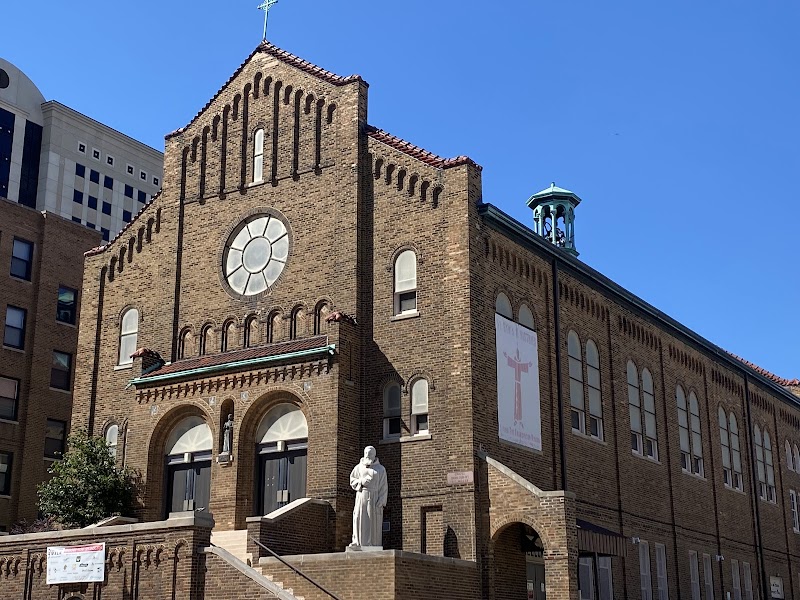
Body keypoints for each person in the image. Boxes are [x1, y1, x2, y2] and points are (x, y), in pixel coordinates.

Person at [349, 446, 388, 548]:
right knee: (358, 516)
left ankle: (373, 544)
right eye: (366, 454)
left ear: (374, 455)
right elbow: (352, 480)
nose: (368, 456)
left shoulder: (380, 469)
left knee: (373, 521)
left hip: (374, 497)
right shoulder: (358, 467)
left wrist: (382, 500)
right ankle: (357, 541)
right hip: (362, 495)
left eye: (370, 454)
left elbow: (384, 486)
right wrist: (361, 482)